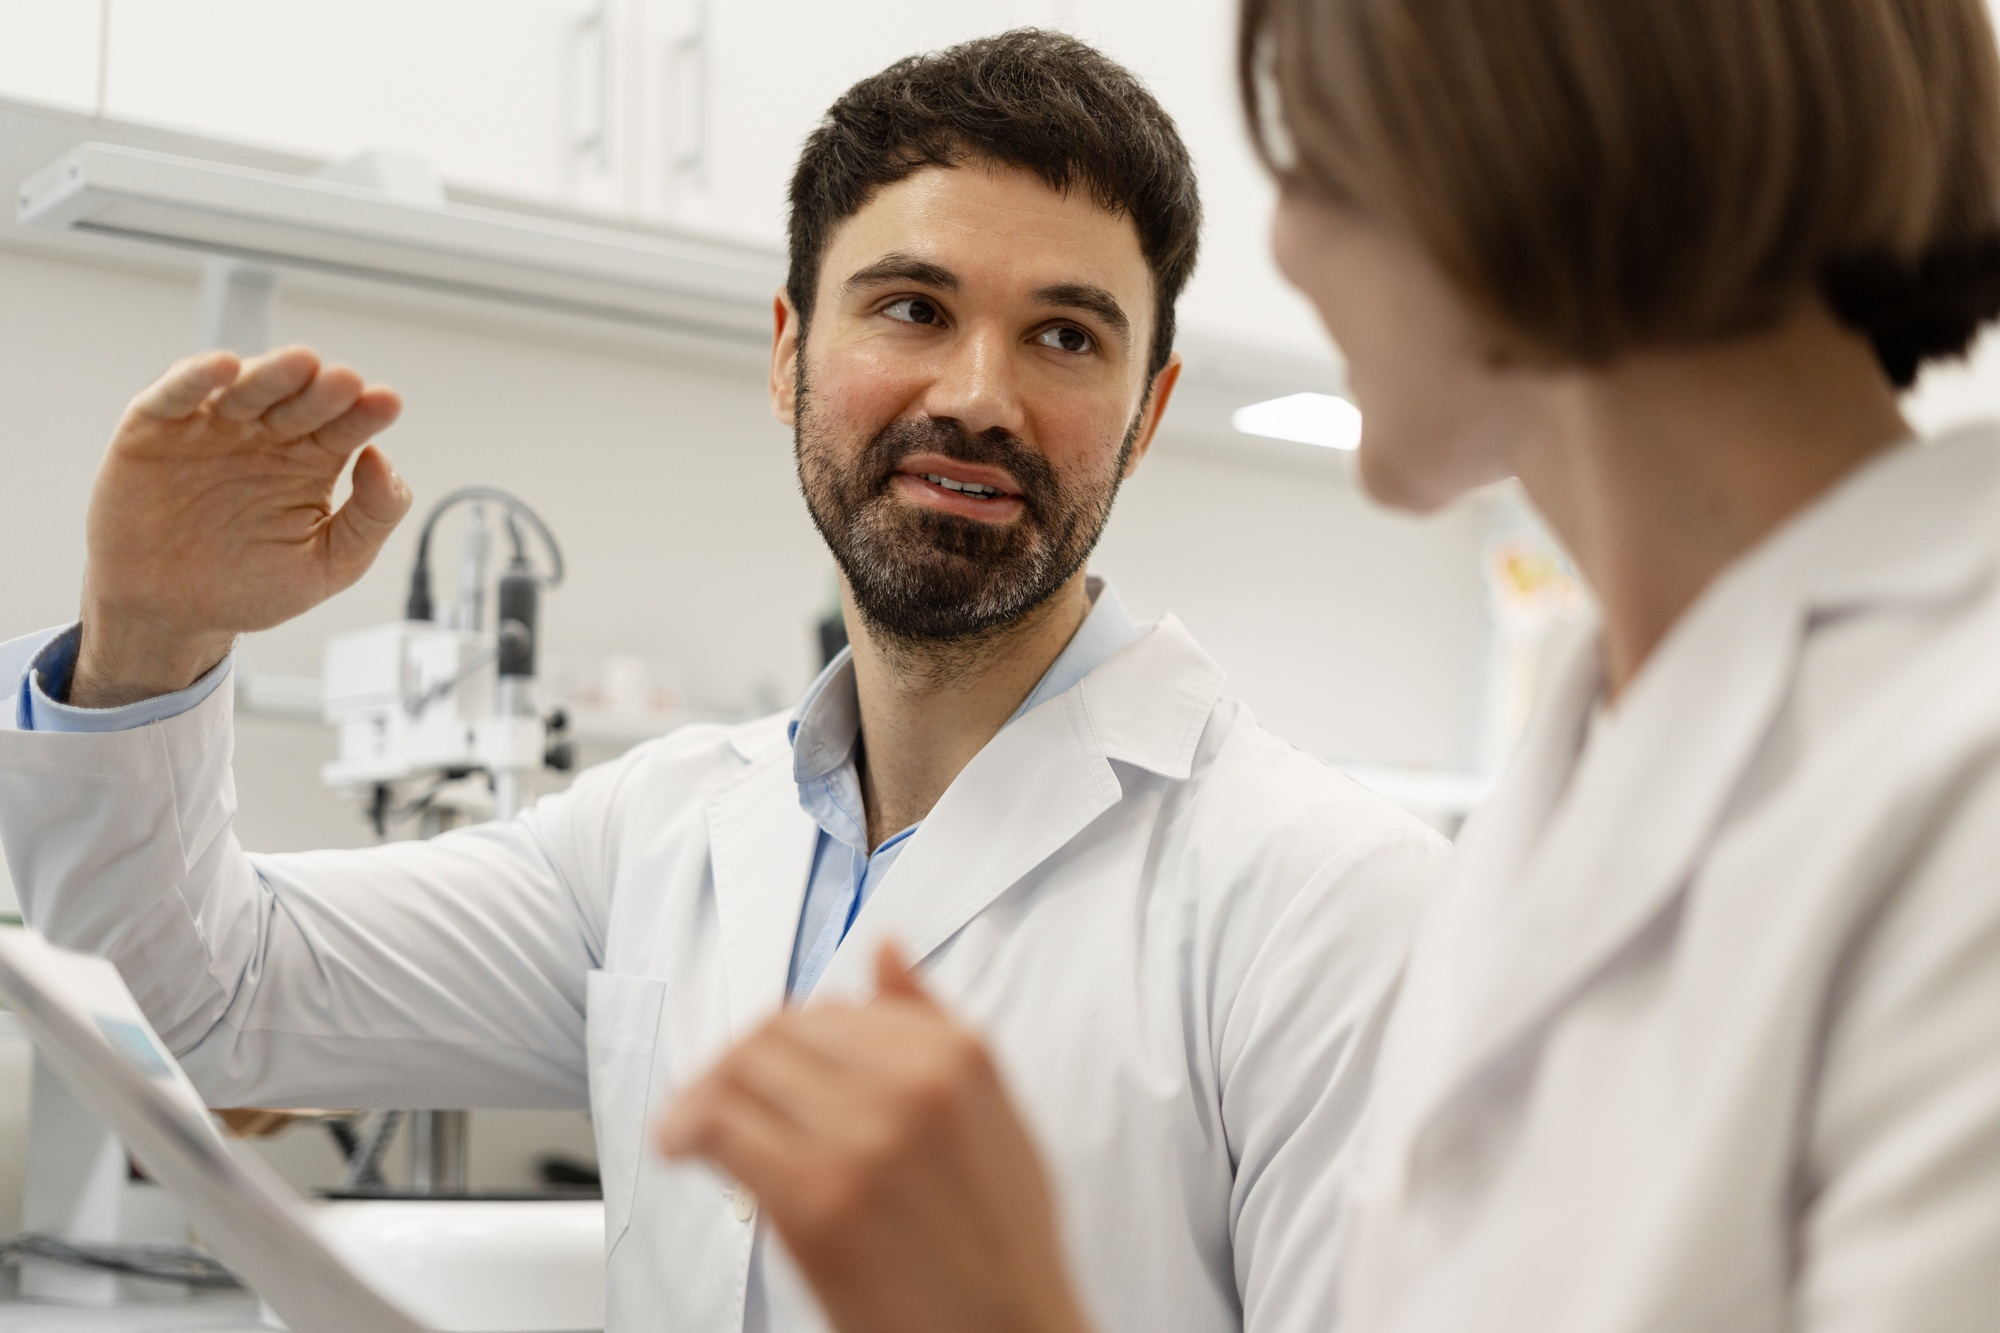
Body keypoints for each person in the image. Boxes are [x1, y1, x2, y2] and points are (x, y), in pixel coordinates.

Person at [0, 30, 1447, 1333]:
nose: (978, 397)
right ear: (789, 353)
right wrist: (150, 635)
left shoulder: (1331, 900)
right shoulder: (664, 832)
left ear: (1146, 415)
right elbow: (214, 993)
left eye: (1067, 336)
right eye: (911, 307)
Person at [658, 2, 2000, 1331]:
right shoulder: (1592, 759)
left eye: (1323, 159)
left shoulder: (1963, 783)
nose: (1289, 248)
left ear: (1551, 152)